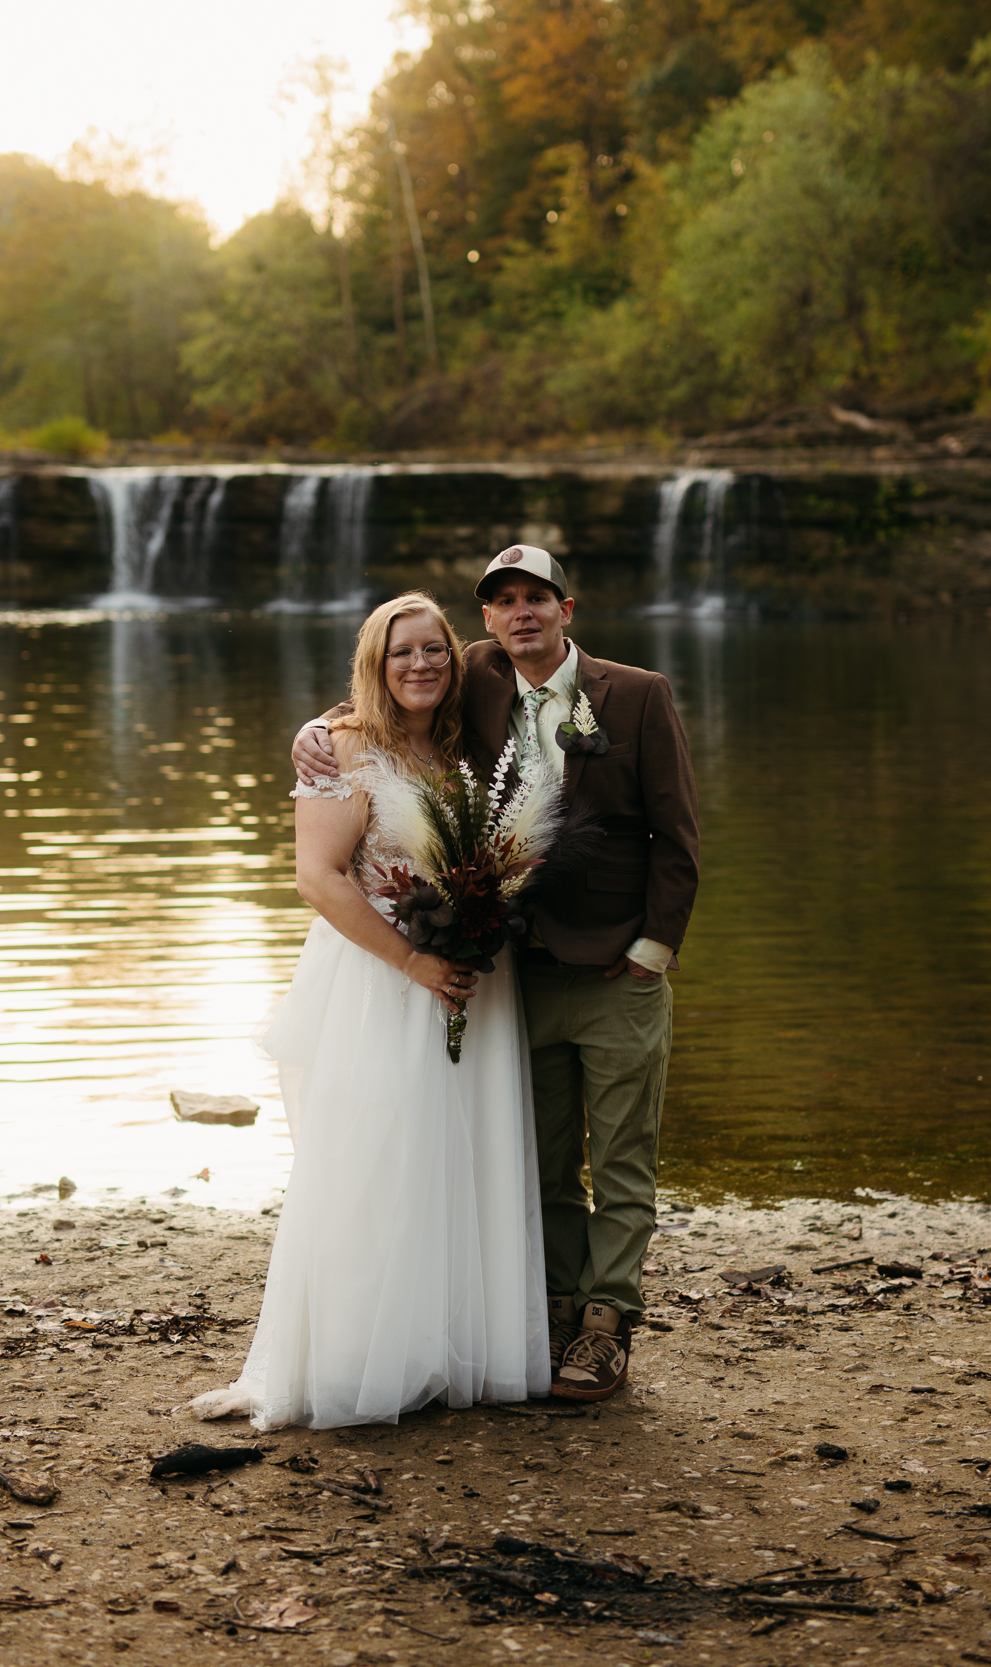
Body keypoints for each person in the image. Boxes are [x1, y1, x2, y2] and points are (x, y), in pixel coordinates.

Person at [294, 545, 699, 1404]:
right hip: (518, 972)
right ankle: (553, 1312)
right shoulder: (474, 680)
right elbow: (390, 687)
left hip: (617, 968)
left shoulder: (636, 695)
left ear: (567, 606)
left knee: (622, 1162)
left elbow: (678, 841)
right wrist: (324, 729)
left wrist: (649, 954)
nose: (521, 614)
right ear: (485, 620)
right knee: (541, 1164)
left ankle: (605, 1326)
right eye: (503, 601)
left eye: (537, 599)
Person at [192, 591, 548, 1430]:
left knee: (462, 1161)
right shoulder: (337, 744)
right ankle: (357, 1361)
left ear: (454, 661)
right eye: (401, 652)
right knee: (374, 1165)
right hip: (379, 983)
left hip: (467, 984)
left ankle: (450, 1349)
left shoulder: (462, 750)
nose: (419, 664)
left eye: (434, 650)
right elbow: (317, 877)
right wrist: (413, 961)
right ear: (374, 664)